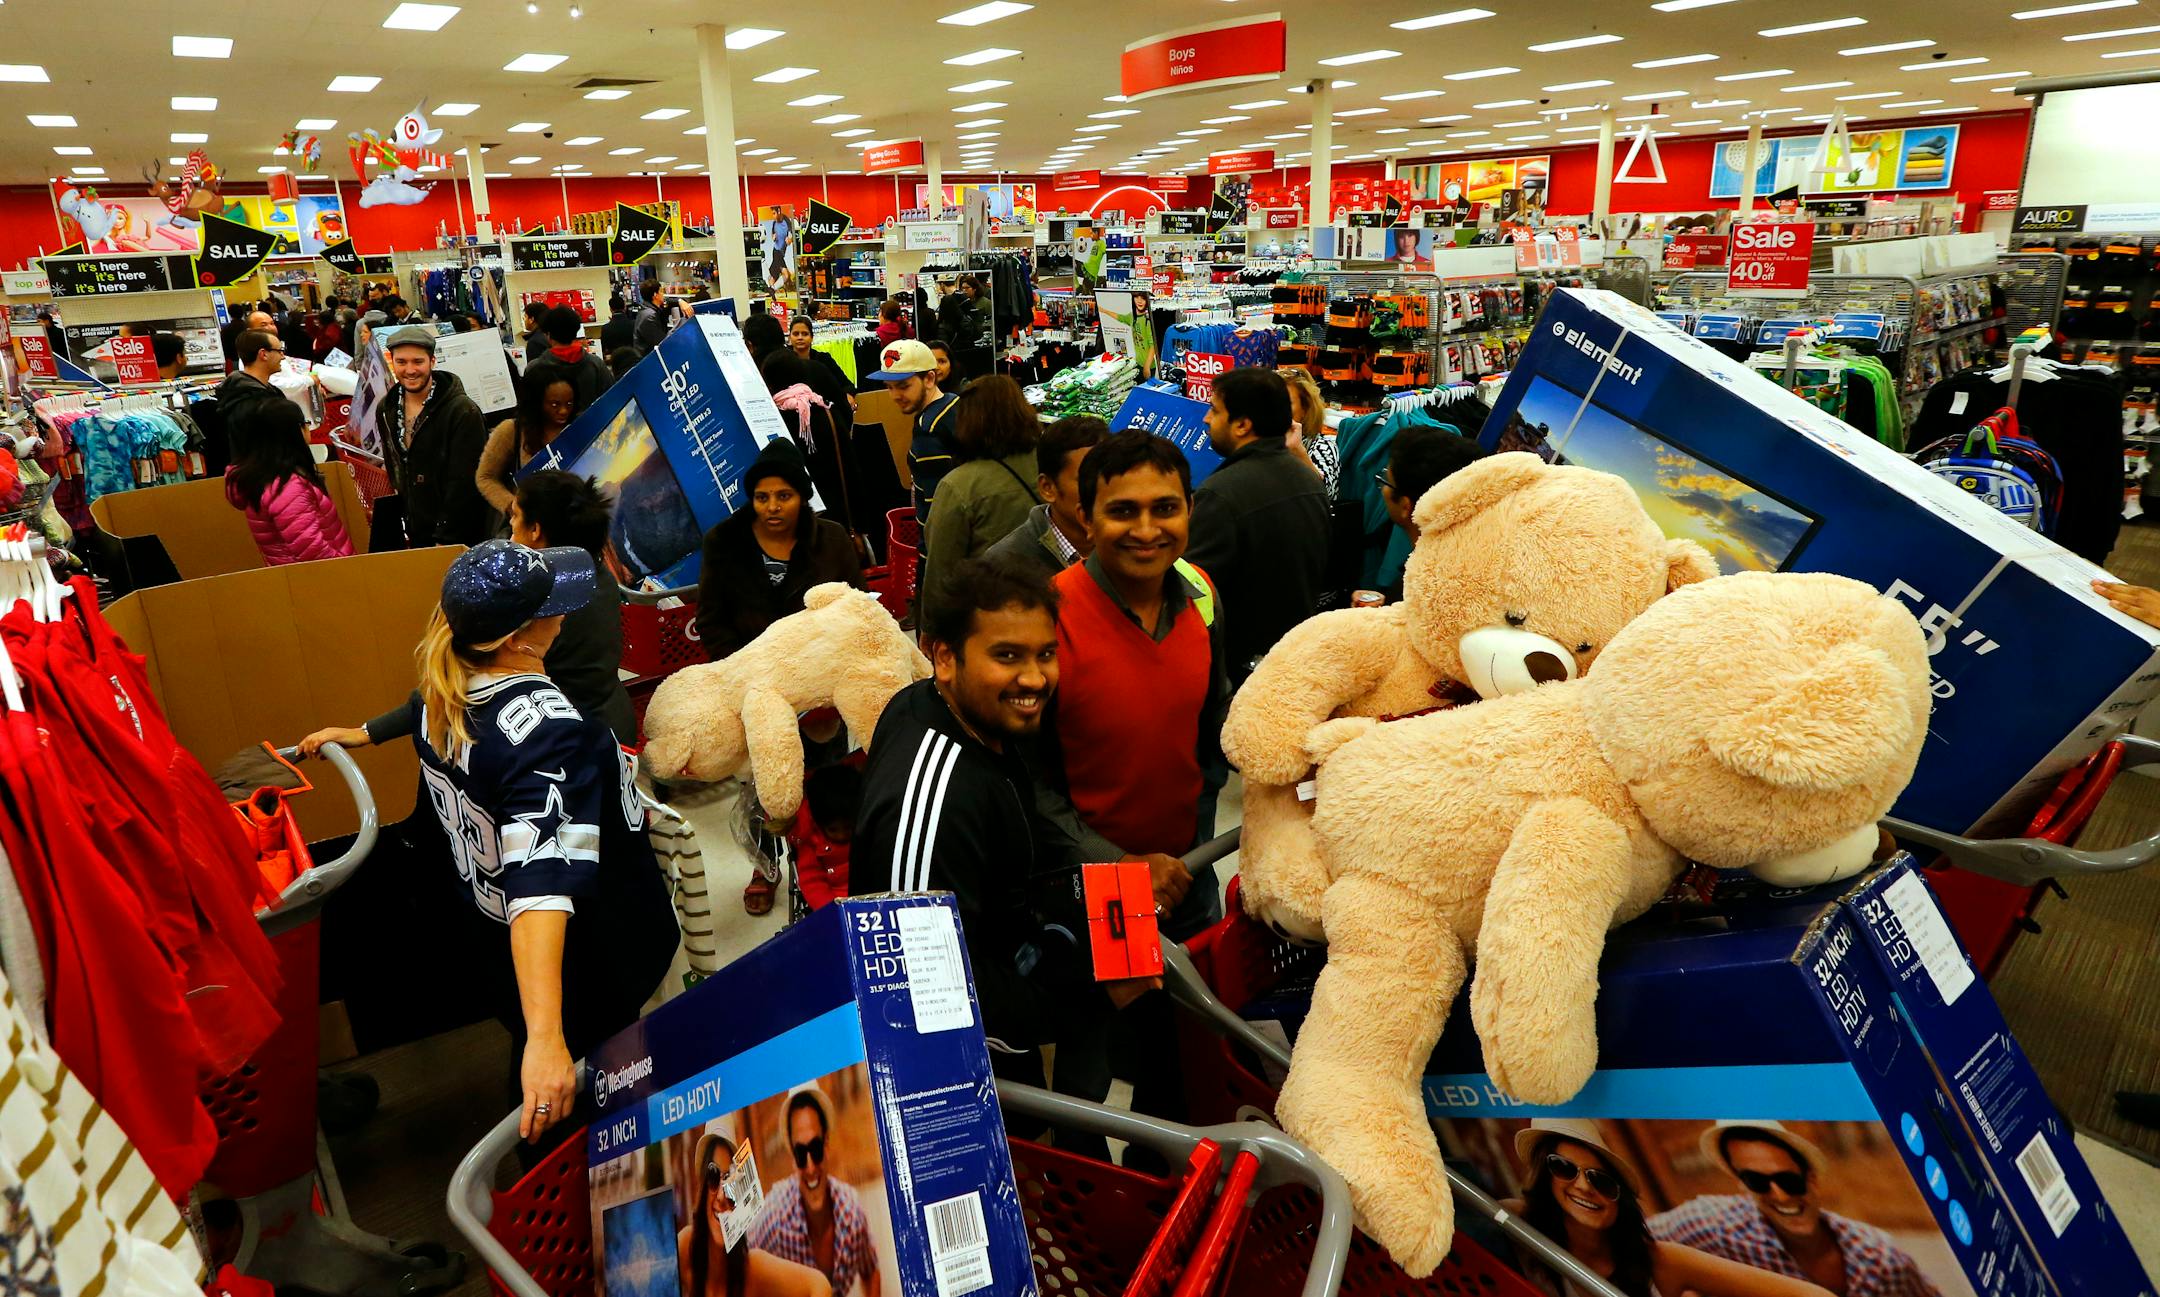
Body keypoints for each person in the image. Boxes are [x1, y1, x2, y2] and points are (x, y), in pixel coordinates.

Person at [298, 542, 678, 1145]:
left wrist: (362, 733)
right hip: (583, 956)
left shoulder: (448, 686)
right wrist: (548, 1041)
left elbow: (415, 708)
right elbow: (542, 890)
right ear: (518, 639)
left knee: (540, 1054)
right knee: (587, 1091)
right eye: (553, 610)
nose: (565, 616)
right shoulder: (547, 734)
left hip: (494, 938)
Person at [852, 557, 1163, 1085]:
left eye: (1045, 654)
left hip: (1016, 958)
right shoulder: (934, 798)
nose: (1034, 678)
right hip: (977, 1067)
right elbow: (920, 997)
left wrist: (1116, 864)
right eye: (1007, 656)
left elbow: (1020, 816)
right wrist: (1091, 998)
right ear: (945, 657)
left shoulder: (951, 710)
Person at [1045, 429, 1227, 935]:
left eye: (1165, 509)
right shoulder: (1047, 618)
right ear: (1086, 519)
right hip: (1088, 890)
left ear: (1189, 509)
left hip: (1188, 871)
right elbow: (1025, 782)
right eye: (1123, 511)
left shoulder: (1202, 595)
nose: (1147, 531)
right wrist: (1117, 861)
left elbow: (1212, 719)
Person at [1504, 1120, 1839, 1297]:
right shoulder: (1516, 1227)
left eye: (1602, 1180)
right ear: (1543, 1175)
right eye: (1563, 1167)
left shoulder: (1659, 1260)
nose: (1583, 1185)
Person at [1650, 1121, 1941, 1297]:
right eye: (1756, 1181)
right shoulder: (1714, 1225)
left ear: (1811, 1179)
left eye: (1788, 1180)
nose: (1779, 1195)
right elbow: (1631, 1236)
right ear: (1742, 1185)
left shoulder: (1881, 1259)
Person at [1184, 366, 1330, 681]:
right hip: (1293, 658)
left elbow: (1192, 594)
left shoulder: (1220, 494)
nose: (1206, 419)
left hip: (1235, 669)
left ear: (1242, 425)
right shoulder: (1309, 480)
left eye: (1214, 410)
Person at [694, 437, 863, 662]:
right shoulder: (723, 542)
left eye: (784, 496)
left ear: (802, 498)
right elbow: (711, 621)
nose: (772, 507)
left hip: (823, 665)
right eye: (762, 497)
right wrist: (741, 667)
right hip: (747, 670)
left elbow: (858, 603)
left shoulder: (832, 539)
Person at [506, 470, 635, 742]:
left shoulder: (541, 601)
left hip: (571, 742)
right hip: (614, 723)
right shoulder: (596, 574)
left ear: (535, 530)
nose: (510, 525)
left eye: (515, 516)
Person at [920, 375, 1041, 608]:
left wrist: (931, 629)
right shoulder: (1051, 463)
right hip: (1053, 596)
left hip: (991, 608)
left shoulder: (959, 486)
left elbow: (941, 569)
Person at [747, 1088, 881, 1297]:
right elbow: (741, 1269)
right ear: (792, 1155)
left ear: (827, 1145)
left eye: (816, 1148)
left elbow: (870, 1268)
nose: (810, 1167)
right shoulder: (774, 1215)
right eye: (801, 1153)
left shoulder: (851, 1212)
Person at [376, 325, 493, 548]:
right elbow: (395, 466)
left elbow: (465, 483)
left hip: (458, 537)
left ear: (432, 361)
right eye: (401, 362)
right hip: (416, 529)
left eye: (417, 362)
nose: (410, 370)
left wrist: (446, 538)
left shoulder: (461, 411)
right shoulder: (386, 408)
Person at [679, 1131, 831, 1297]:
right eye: (714, 1176)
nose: (722, 1196)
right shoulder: (686, 1248)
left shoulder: (751, 1269)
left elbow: (819, 1284)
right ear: (702, 1188)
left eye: (733, 1181)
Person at [223, 400, 355, 567]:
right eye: (305, 423)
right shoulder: (287, 487)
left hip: (296, 577)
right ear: (293, 432)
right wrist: (348, 571)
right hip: (321, 582)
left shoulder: (265, 476)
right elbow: (312, 551)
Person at [1374, 425, 1488, 600]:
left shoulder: (1417, 591)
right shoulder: (1479, 564)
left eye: (1386, 481)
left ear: (1406, 506)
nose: (1383, 490)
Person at [984, 414, 1105, 578]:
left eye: (1108, 476)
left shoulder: (1131, 546)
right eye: (1086, 478)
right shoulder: (1004, 565)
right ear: (1048, 488)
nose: (1102, 489)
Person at [867, 340, 959, 535]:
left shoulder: (928, 431)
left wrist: (928, 560)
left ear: (929, 379)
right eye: (889, 387)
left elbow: (939, 514)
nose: (894, 396)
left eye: (903, 386)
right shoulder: (952, 403)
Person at [478, 370, 579, 522]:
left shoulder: (578, 428)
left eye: (569, 403)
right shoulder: (511, 431)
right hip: (527, 527)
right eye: (554, 404)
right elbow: (485, 477)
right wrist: (513, 507)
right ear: (537, 402)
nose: (563, 410)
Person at [215, 329, 287, 461]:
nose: (283, 356)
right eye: (279, 351)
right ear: (263, 354)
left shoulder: (237, 391)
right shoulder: (256, 400)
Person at [525, 305, 610, 413]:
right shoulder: (596, 364)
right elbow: (611, 399)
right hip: (593, 426)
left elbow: (529, 411)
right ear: (575, 331)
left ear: (548, 335)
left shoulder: (534, 368)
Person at [1277, 367, 1340, 498]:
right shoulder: (1260, 443)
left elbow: (1324, 494)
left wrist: (1298, 451)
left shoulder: (1323, 447)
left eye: (1286, 403)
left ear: (1305, 409)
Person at [788, 316, 856, 413]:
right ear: (790, 337)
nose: (800, 337)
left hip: (823, 413)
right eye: (796, 334)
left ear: (811, 337)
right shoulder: (784, 361)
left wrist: (848, 395)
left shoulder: (824, 359)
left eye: (805, 334)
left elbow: (847, 384)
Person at [635, 278, 670, 353]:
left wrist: (679, 301)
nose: (663, 294)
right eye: (661, 291)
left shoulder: (648, 310)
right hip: (648, 358)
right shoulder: (649, 316)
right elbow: (660, 342)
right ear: (655, 295)